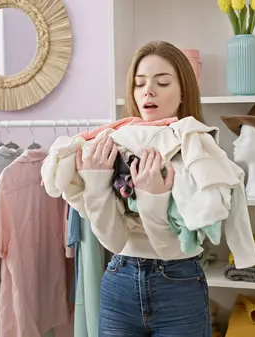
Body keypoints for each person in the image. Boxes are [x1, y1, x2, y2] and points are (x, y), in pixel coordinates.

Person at [75, 41, 211, 336]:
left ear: (184, 90)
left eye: (162, 82)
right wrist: (96, 183)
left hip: (180, 283)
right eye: (139, 84)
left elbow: (172, 247)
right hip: (119, 280)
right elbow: (112, 240)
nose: (148, 91)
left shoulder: (199, 149)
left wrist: (153, 198)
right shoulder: (115, 146)